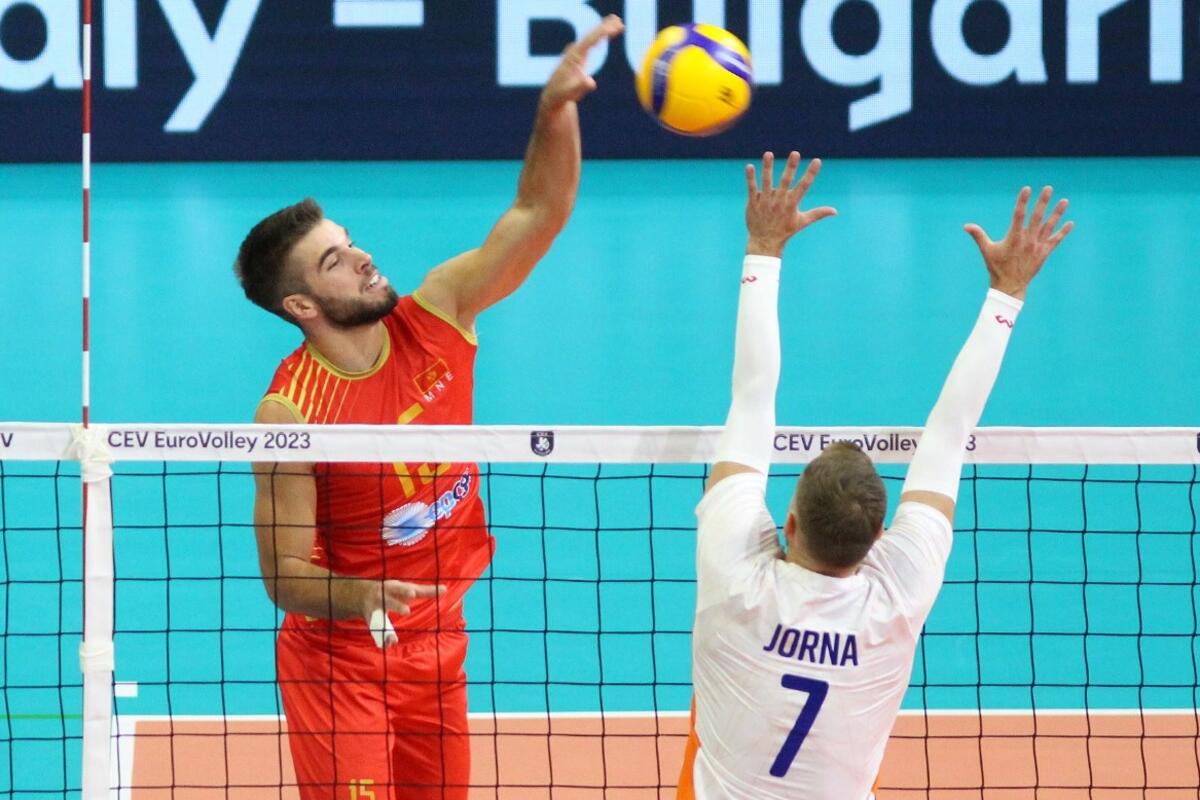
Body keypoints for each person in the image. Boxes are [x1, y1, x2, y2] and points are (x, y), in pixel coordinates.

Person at [234, 15, 625, 800]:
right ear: (302, 305)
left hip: (440, 637)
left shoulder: (439, 314)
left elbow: (536, 215)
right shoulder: (292, 414)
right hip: (343, 656)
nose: (364, 258)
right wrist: (363, 596)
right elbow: (284, 576)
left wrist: (553, 112)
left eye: (352, 241)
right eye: (336, 260)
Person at [677, 152, 1072, 799]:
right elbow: (951, 433)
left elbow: (752, 396)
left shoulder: (735, 576)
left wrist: (763, 248)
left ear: (790, 523)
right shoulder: (895, 598)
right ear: (878, 537)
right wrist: (1008, 294)